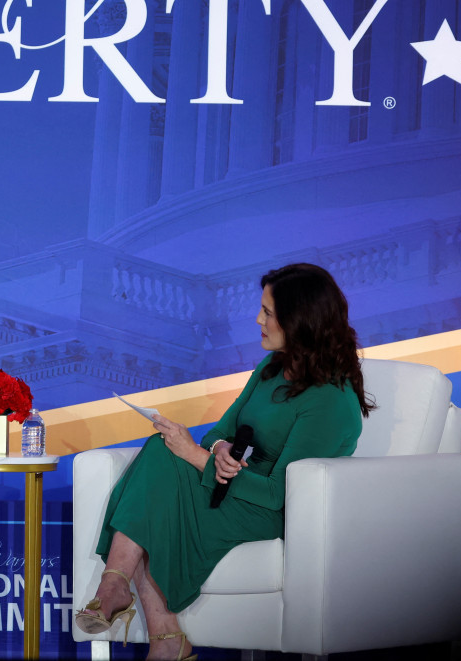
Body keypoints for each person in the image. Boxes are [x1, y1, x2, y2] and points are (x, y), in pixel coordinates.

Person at [75, 263, 373, 660]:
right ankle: (147, 620)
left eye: (268, 312)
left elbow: (278, 494)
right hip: (231, 488)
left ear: (300, 320)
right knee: (161, 449)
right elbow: (219, 431)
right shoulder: (271, 369)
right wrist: (216, 452)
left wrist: (196, 456)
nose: (258, 319)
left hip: (272, 511)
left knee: (163, 473)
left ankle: (132, 604)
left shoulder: (330, 400)